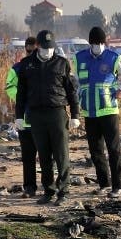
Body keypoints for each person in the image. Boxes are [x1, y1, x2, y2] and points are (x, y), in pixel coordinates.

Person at [14, 29, 80, 205]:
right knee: (43, 155)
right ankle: (49, 190)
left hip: (57, 113)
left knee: (61, 154)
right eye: (45, 47)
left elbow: (71, 92)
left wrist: (75, 114)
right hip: (35, 115)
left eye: (51, 47)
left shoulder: (62, 63)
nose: (48, 50)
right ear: (38, 46)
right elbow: (21, 94)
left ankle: (63, 190)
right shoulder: (27, 64)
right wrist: (18, 116)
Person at [74, 26, 121, 197]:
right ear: (90, 43)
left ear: (104, 43)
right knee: (96, 151)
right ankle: (104, 184)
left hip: (108, 110)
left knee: (114, 149)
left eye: (100, 43)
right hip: (89, 112)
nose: (97, 46)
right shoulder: (80, 58)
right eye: (94, 43)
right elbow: (78, 82)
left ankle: (118, 185)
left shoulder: (113, 57)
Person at [5, 36, 39, 197]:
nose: (31, 54)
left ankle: (49, 185)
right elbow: (9, 86)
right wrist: (22, 97)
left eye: (35, 51)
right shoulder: (18, 68)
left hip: (43, 119)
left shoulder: (47, 67)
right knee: (28, 156)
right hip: (25, 118)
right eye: (29, 51)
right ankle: (29, 187)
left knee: (47, 156)